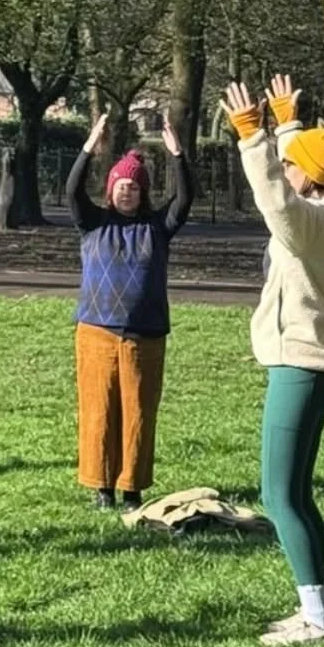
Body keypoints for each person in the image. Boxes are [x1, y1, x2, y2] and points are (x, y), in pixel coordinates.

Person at [224, 72, 324, 647]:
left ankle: (317, 619)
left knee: (279, 497)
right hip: (321, 367)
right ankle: (321, 610)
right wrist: (289, 124)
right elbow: (302, 171)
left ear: (303, 173)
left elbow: (275, 192)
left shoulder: (302, 223)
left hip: (299, 368)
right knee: (298, 497)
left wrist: (254, 135)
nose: (285, 164)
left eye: (290, 159)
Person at [67, 114, 194, 511]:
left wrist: (177, 155)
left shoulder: (158, 227)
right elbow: (71, 191)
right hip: (96, 333)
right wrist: (90, 145)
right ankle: (100, 487)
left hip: (146, 336)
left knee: (138, 413)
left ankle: (131, 490)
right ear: (111, 190)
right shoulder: (93, 223)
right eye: (121, 186)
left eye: (134, 187)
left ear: (143, 193)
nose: (127, 192)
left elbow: (186, 198)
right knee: (98, 411)